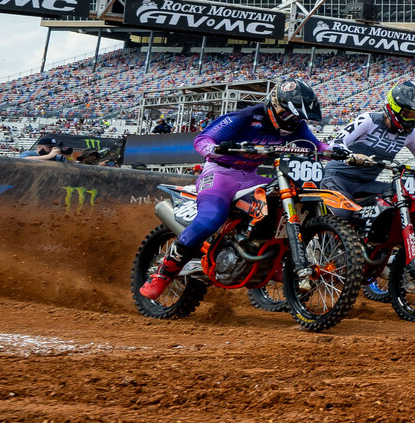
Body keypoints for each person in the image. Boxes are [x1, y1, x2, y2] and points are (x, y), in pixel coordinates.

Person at [138, 80, 325, 301]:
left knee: (282, 204)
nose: (294, 121)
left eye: (298, 117)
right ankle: (162, 273)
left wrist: (343, 153)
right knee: (211, 218)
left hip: (251, 176)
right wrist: (215, 148)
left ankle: (273, 258)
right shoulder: (245, 118)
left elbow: (317, 146)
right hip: (219, 174)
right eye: (290, 115)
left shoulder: (297, 126)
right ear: (277, 105)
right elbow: (202, 140)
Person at [324, 81, 415, 205]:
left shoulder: (410, 135)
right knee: (342, 212)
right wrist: (351, 156)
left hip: (366, 183)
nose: (412, 120)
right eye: (408, 114)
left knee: (402, 198)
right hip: (338, 178)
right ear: (393, 108)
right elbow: (337, 142)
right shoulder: (369, 120)